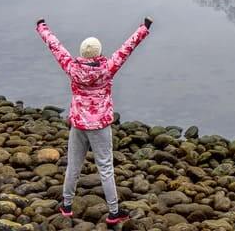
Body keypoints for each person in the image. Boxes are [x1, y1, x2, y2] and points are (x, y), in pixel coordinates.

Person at [35, 16, 153, 225]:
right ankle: (114, 212)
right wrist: (144, 28)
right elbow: (128, 47)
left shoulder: (72, 68)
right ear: (98, 53)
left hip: (79, 124)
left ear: (82, 53)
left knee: (73, 166)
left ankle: (67, 205)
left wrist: (41, 27)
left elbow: (55, 46)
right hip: (100, 126)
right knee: (105, 168)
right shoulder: (107, 68)